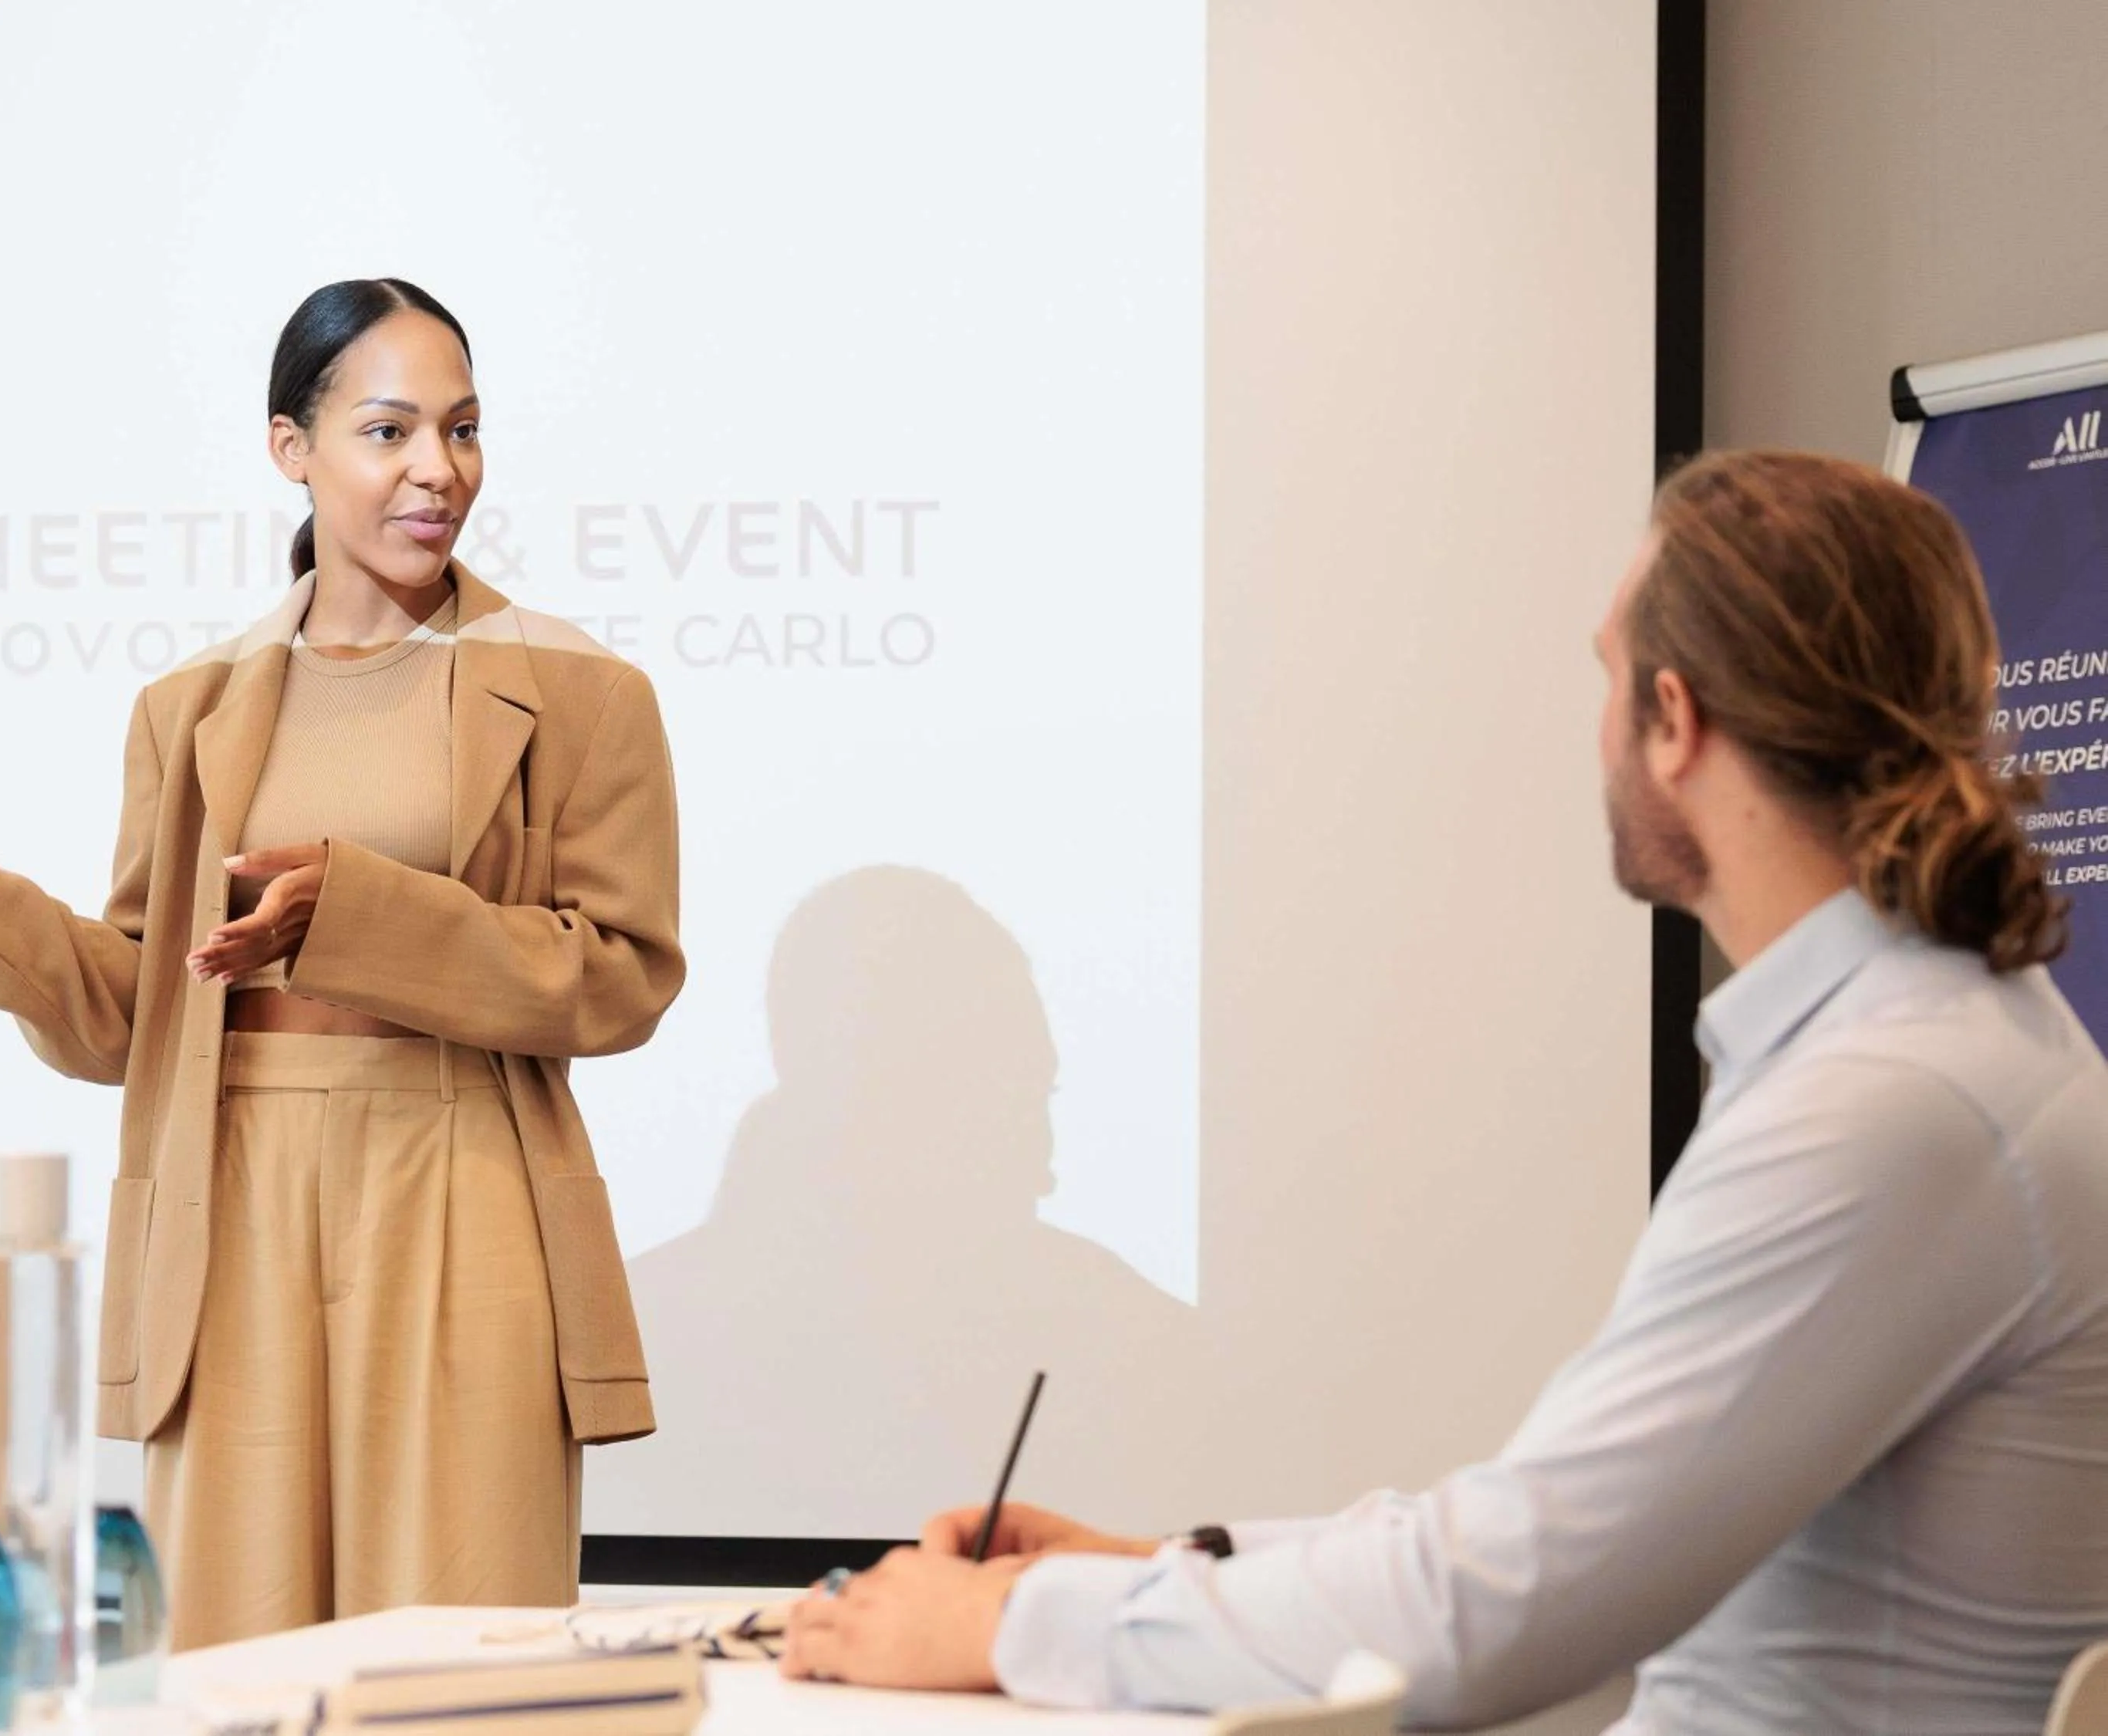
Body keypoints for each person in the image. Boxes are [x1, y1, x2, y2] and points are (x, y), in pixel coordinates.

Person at [779, 449, 2108, 1734]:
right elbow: (1545, 1531)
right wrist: (1154, 1563)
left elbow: (1497, 1610)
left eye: (1603, 677)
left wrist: (1014, 1628)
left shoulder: (1889, 1107)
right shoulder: (1927, 1054)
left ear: (1673, 718)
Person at [0, 279, 684, 1650]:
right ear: (293, 447)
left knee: (457, 1661)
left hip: (465, 1189)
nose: (436, 471)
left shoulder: (580, 693)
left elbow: (622, 975)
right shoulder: (188, 708)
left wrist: (362, 916)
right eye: (388, 431)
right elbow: (124, 1017)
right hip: (228, 1210)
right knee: (233, 1657)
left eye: (463, 429)